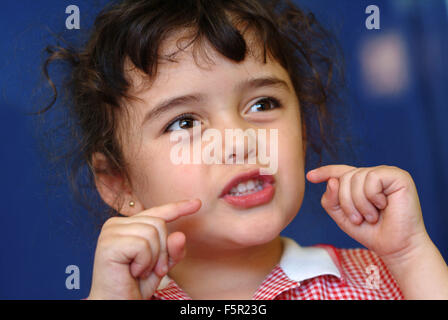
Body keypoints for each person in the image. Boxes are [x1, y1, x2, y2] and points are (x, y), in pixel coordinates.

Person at [37, 0, 448, 300]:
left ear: (302, 131)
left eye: (263, 104)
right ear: (117, 182)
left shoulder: (382, 280)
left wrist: (410, 255)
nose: (239, 141)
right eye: (184, 122)